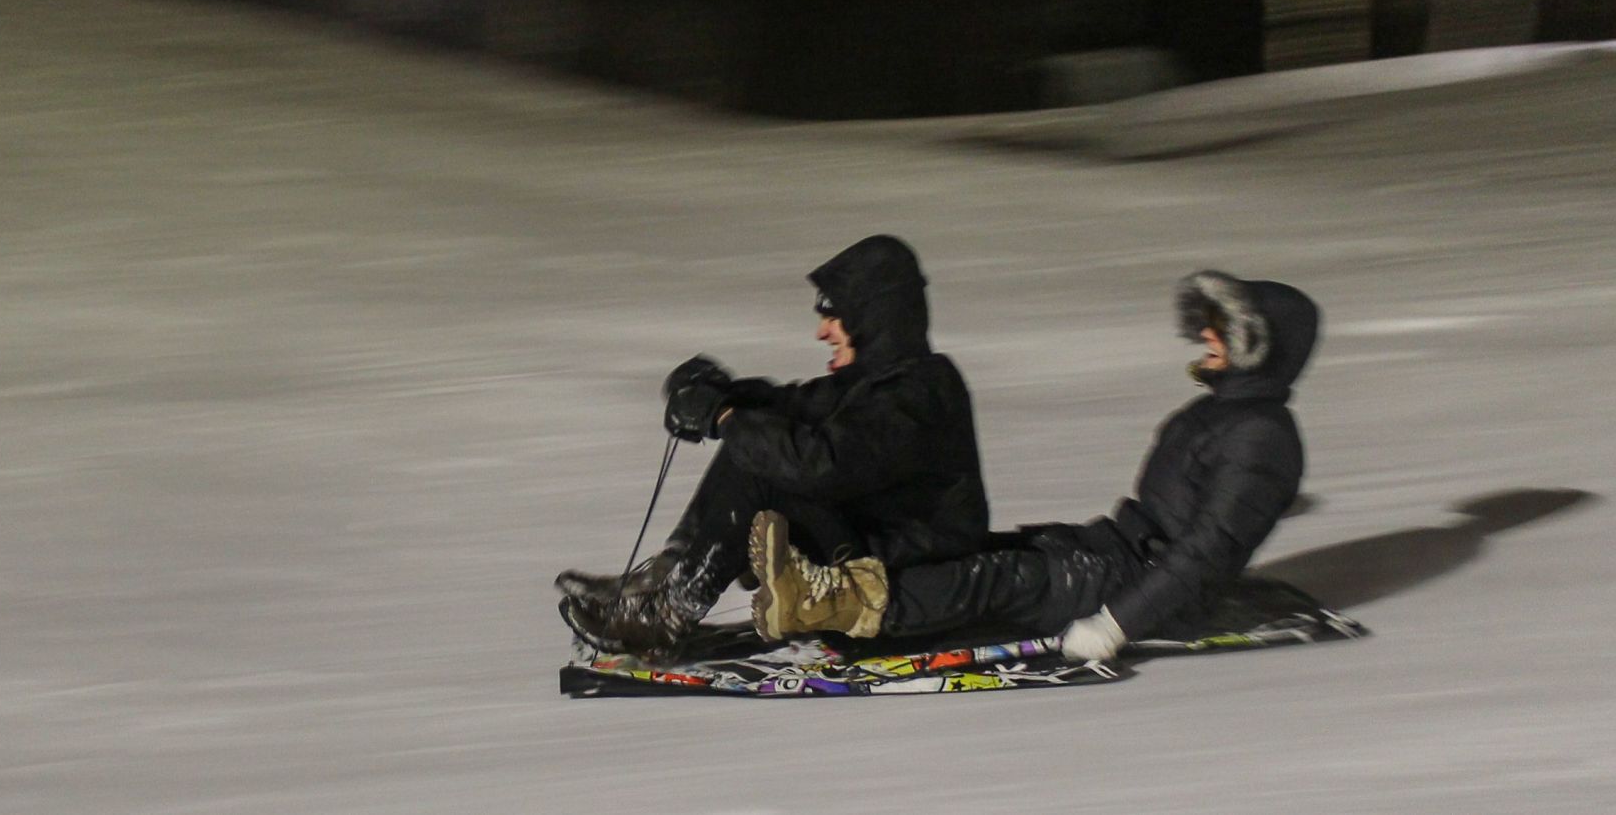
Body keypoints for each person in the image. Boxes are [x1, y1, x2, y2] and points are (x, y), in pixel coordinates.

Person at [750, 269, 1320, 663]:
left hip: (1143, 589)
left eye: (1223, 326)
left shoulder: (1261, 437)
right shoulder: (1224, 413)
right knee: (982, 552)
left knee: (996, 579)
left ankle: (830, 601)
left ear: (1258, 347)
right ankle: (832, 584)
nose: (1205, 333)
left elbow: (1207, 551)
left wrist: (1114, 626)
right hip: (1113, 553)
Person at [557, 234, 990, 654]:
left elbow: (823, 464)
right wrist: (723, 396)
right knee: (757, 438)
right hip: (878, 550)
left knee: (761, 460)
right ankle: (663, 579)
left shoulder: (917, 394)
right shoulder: (880, 382)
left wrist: (726, 418)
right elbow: (793, 405)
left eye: (833, 316)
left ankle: (668, 611)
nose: (822, 332)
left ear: (870, 318)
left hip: (906, 577)